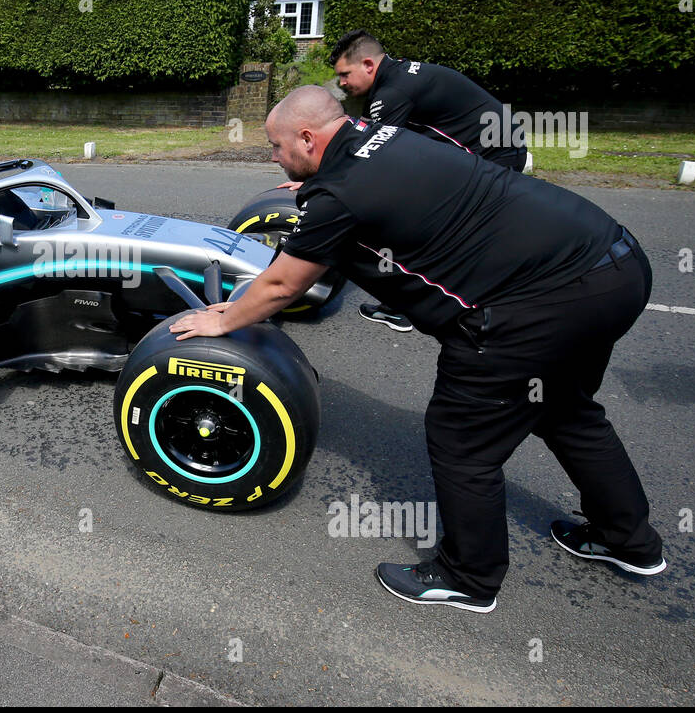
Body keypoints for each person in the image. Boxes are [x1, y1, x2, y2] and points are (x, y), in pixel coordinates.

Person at [173, 86, 664, 613]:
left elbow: (280, 287)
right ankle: (626, 539)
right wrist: (314, 191)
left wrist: (223, 317)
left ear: (309, 138)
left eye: (276, 145)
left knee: (463, 443)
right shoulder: (383, 137)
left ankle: (469, 577)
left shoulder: (338, 195)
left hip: (537, 305)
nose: (273, 157)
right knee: (566, 411)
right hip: (614, 265)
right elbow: (368, 192)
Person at [283, 29, 529, 332]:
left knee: (420, 218)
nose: (343, 83)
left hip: (495, 154)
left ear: (369, 65)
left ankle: (408, 308)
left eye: (346, 74)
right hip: (499, 144)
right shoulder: (400, 76)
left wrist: (320, 183)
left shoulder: (392, 94)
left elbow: (374, 156)